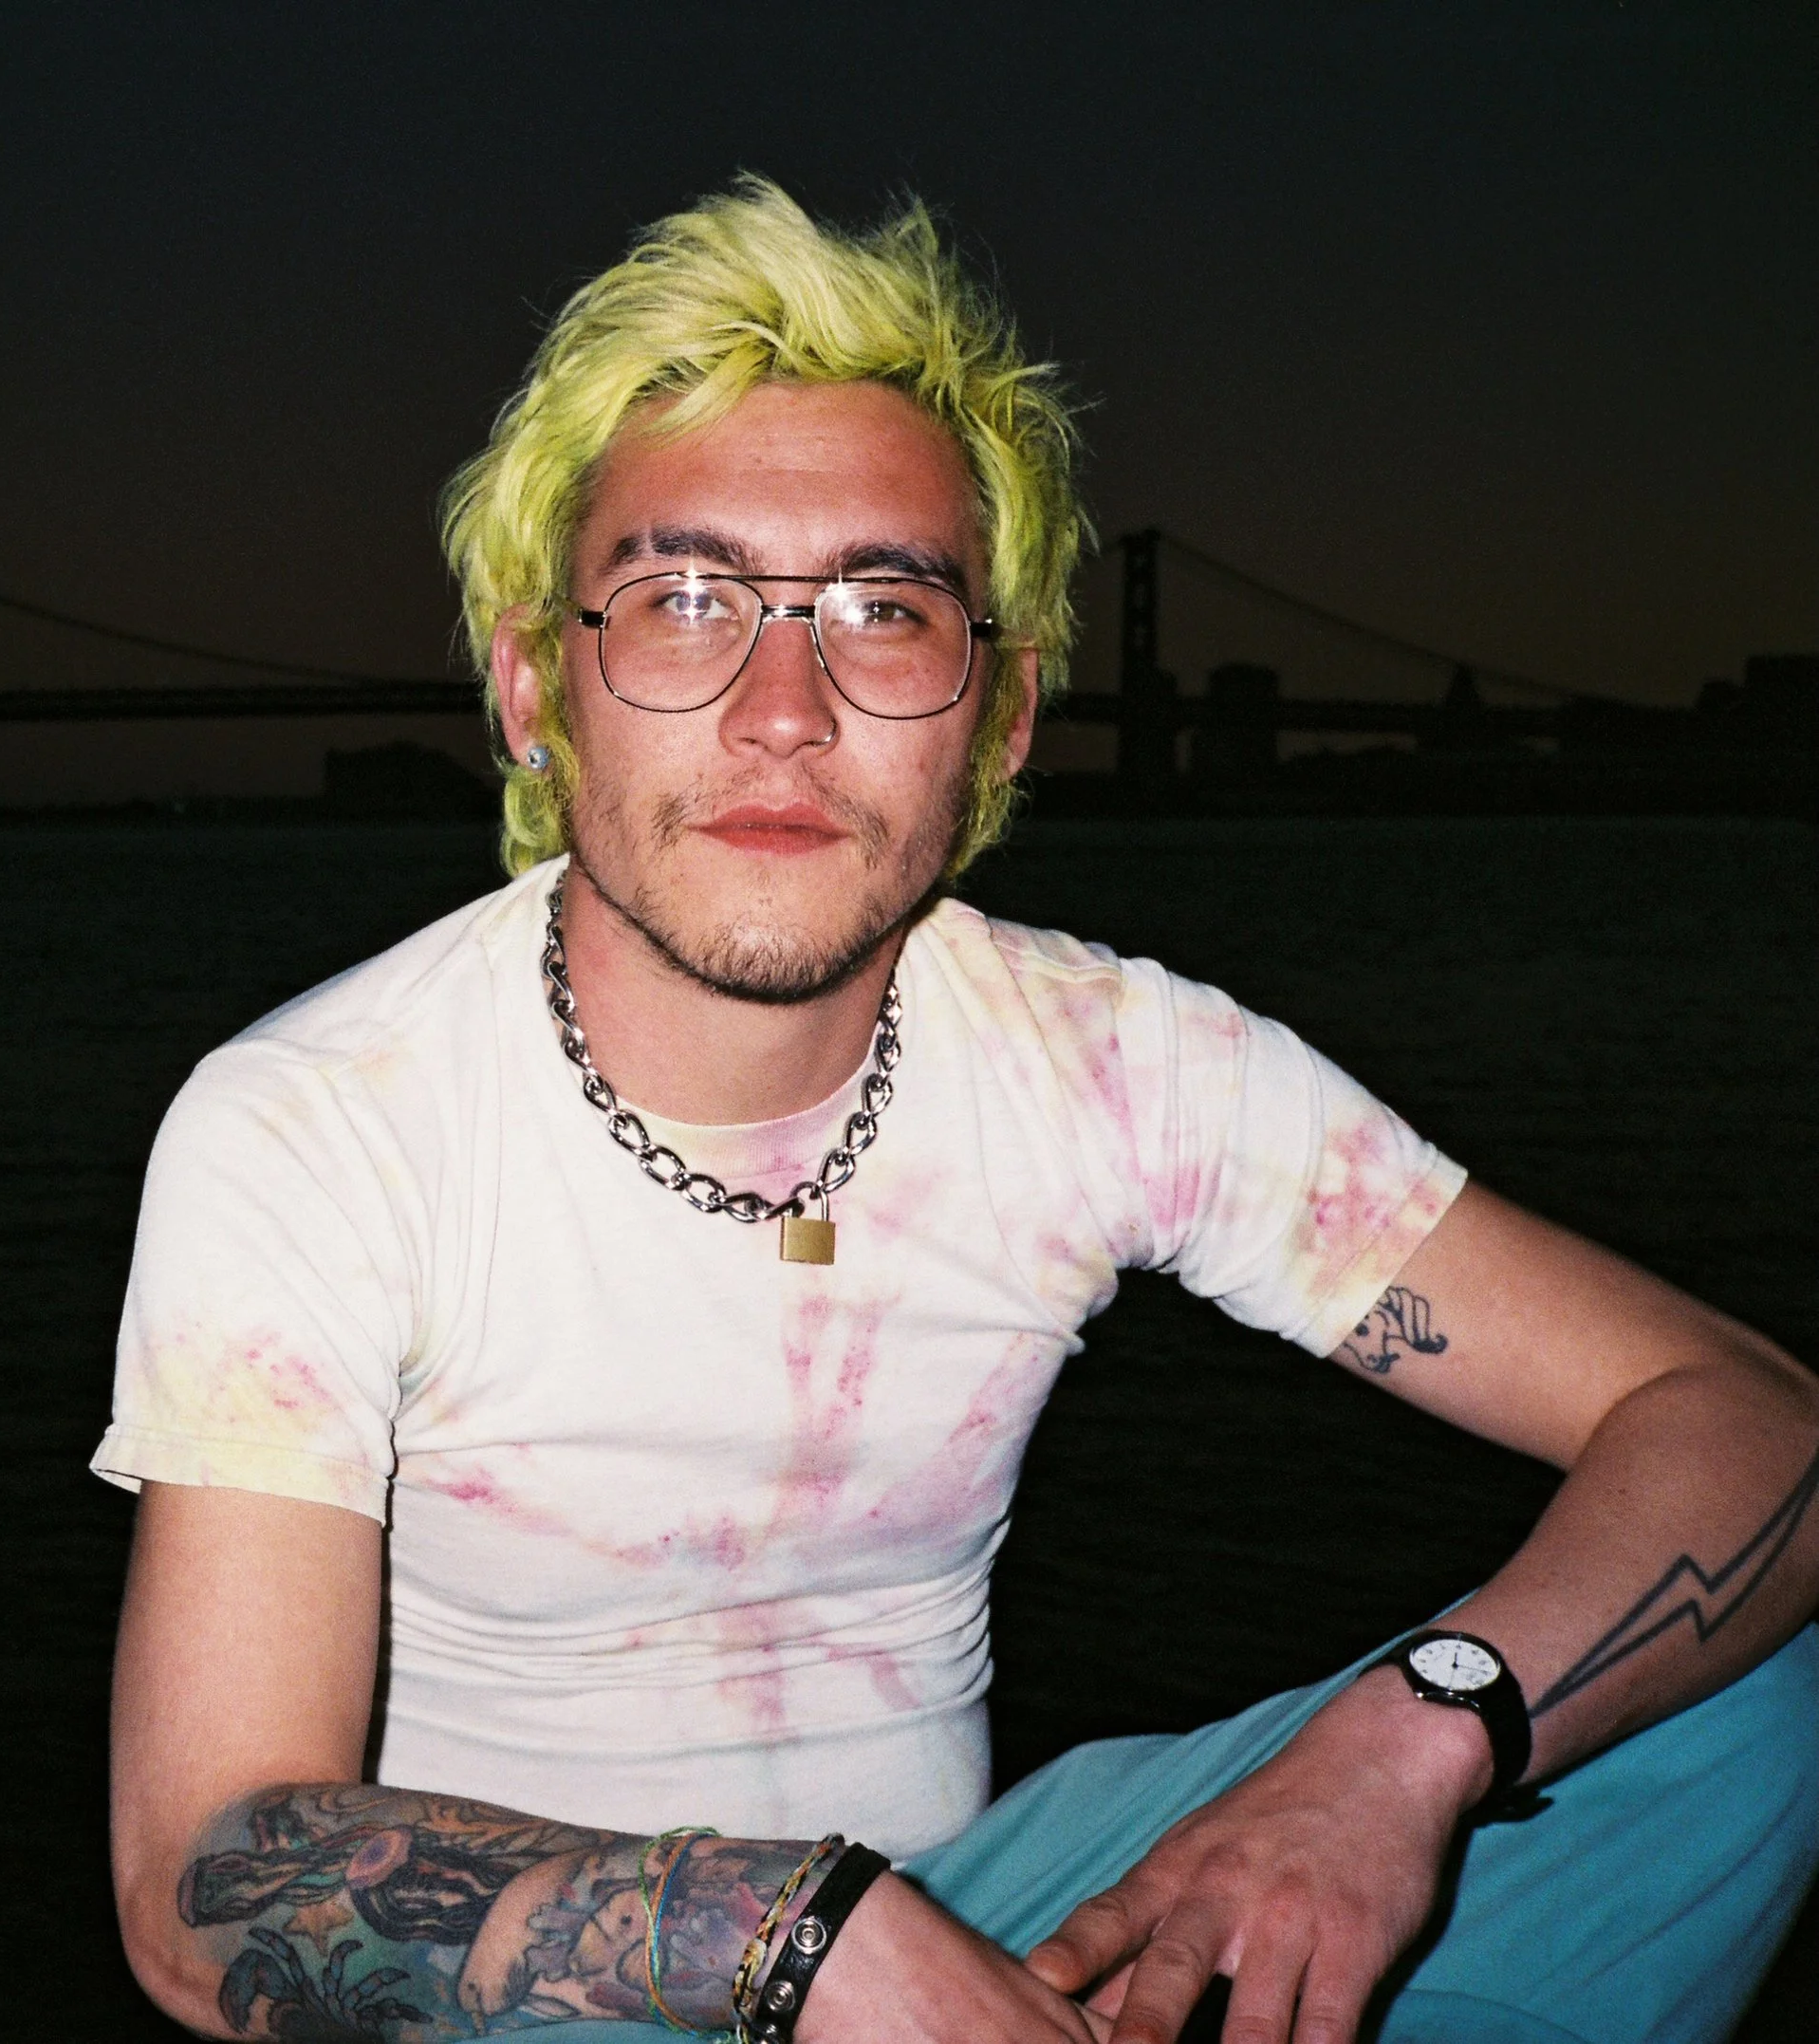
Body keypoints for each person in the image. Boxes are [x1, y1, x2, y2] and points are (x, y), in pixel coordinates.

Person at [94, 179, 1819, 2044]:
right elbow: (202, 1880)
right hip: (536, 1996)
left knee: (1732, 1658)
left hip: (983, 1920)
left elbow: (1744, 1419)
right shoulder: (320, 1125)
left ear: (998, 721)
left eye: (885, 611)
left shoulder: (1105, 1064)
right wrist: (787, 1935)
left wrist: (1408, 1748)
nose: (782, 707)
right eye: (684, 602)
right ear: (534, 692)